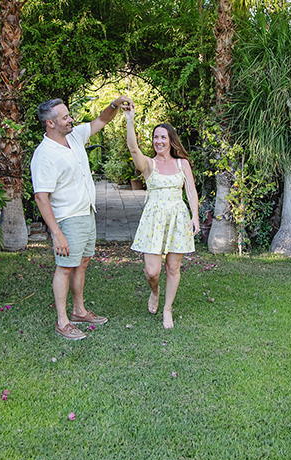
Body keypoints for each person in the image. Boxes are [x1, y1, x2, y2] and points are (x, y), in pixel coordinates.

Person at [31, 95, 132, 340]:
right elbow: (41, 198)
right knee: (65, 268)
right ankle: (62, 321)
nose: (70, 119)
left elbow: (101, 121)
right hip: (67, 218)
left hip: (87, 213)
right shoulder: (44, 155)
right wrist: (57, 234)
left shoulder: (74, 136)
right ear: (50, 124)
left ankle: (79, 311)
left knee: (82, 263)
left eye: (68, 114)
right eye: (64, 117)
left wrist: (114, 105)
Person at [123, 103, 199, 329]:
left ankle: (168, 309)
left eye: (163, 137)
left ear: (171, 140)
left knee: (173, 268)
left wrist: (195, 216)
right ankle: (154, 291)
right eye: (156, 137)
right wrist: (130, 120)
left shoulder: (182, 163)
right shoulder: (148, 164)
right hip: (153, 219)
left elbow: (191, 191)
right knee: (153, 271)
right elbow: (134, 150)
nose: (159, 141)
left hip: (178, 217)